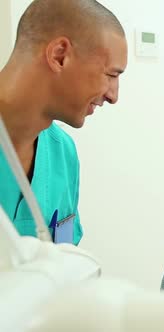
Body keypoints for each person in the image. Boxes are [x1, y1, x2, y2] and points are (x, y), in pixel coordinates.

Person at [0, 0, 128, 245]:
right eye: (111, 75)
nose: (114, 96)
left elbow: (64, 257)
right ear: (60, 56)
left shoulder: (63, 153)